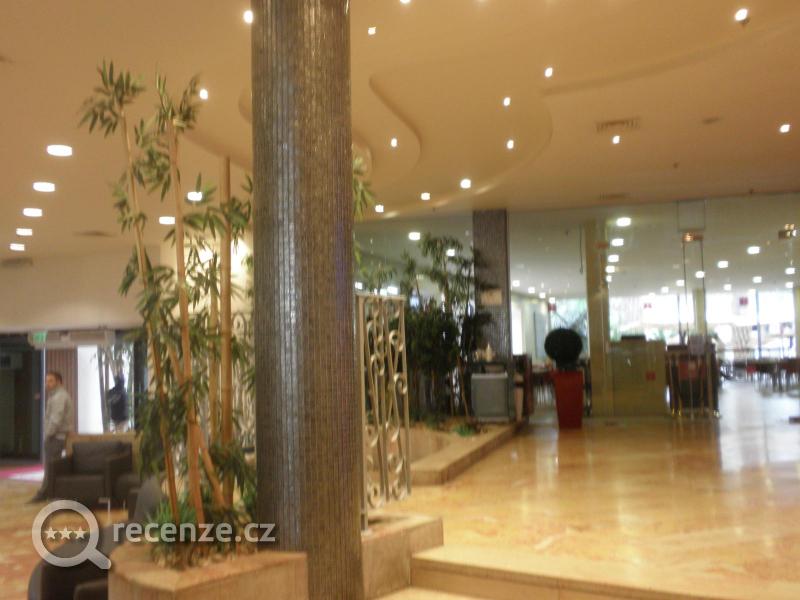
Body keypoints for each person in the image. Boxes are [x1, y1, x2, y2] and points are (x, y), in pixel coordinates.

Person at [30, 371, 74, 502]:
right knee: (51, 466)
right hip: (55, 436)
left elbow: (56, 419)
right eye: (46, 381)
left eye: (50, 381)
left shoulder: (59, 397)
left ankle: (46, 493)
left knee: (51, 467)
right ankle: (48, 493)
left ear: (59, 382)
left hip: (55, 437)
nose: (47, 384)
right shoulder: (56, 396)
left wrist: (48, 434)